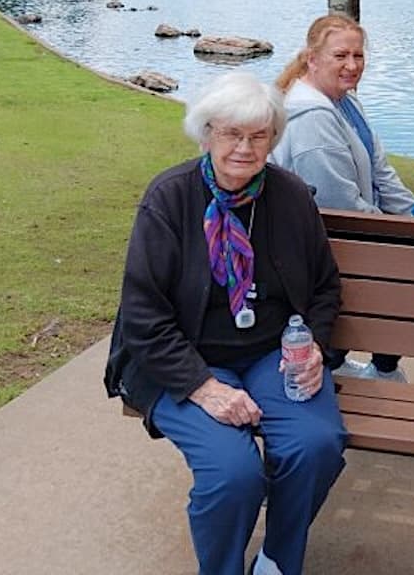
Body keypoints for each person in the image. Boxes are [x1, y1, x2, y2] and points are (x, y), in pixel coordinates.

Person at [105, 71, 347, 575]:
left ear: (273, 139)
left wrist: (316, 346)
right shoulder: (170, 198)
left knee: (315, 445)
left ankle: (278, 560)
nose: (245, 148)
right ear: (206, 134)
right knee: (233, 474)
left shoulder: (291, 196)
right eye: (231, 133)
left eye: (259, 135)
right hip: (183, 362)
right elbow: (143, 314)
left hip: (270, 355)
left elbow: (324, 286)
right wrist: (203, 387)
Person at [270, 13, 414, 382]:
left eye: (359, 55)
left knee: (410, 262)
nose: (352, 65)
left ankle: (344, 359)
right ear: (312, 59)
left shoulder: (345, 102)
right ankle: (369, 366)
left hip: (341, 240)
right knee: (403, 279)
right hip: (315, 246)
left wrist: (411, 219)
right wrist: (393, 233)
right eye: (341, 56)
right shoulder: (311, 118)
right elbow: (340, 205)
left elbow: (381, 169)